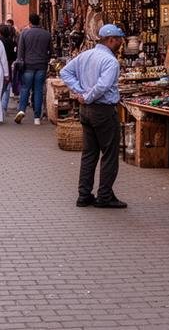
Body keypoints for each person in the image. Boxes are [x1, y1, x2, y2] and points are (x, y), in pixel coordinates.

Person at [61, 24, 127, 208]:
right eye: (119, 40)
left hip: (87, 111)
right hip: (103, 110)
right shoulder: (110, 61)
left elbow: (65, 72)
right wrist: (87, 96)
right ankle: (104, 196)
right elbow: (102, 86)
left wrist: (80, 92)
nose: (121, 43)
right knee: (109, 154)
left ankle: (84, 194)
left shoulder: (86, 55)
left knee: (89, 154)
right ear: (111, 40)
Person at [15, 13, 51, 125]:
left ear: (30, 22)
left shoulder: (25, 33)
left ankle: (21, 110)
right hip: (41, 65)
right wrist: (46, 59)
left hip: (28, 65)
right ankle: (37, 117)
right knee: (38, 90)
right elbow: (51, 51)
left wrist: (19, 61)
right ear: (39, 21)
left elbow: (20, 50)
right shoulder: (46, 34)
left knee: (25, 88)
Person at [0, 23, 17, 113]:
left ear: (0, 32)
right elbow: (14, 56)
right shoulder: (12, 42)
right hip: (8, 65)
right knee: (7, 87)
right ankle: (3, 107)